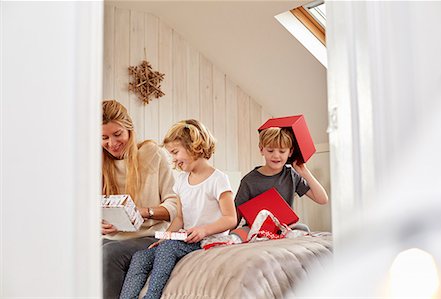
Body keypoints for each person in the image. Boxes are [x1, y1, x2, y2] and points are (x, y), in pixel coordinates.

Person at [119, 119, 237, 299]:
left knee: (168, 249)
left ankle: (152, 296)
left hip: (209, 240)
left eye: (175, 152)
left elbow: (230, 218)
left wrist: (203, 230)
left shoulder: (218, 179)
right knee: (141, 257)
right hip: (186, 238)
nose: (173, 159)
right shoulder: (181, 181)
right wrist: (166, 236)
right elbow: (180, 218)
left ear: (194, 146)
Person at [101, 100, 178, 299]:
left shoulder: (153, 154)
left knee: (108, 254)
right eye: (104, 137)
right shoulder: (96, 163)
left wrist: (143, 212)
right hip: (110, 237)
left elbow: (174, 206)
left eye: (118, 134)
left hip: (149, 236)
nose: (112, 143)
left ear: (129, 129)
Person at [235, 127, 328, 225]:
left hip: (285, 229)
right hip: (256, 231)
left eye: (282, 151)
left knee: (302, 228)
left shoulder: (291, 175)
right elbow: (235, 216)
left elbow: (322, 199)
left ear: (290, 152)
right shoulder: (248, 181)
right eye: (270, 151)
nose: (276, 156)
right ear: (262, 150)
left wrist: (304, 171)